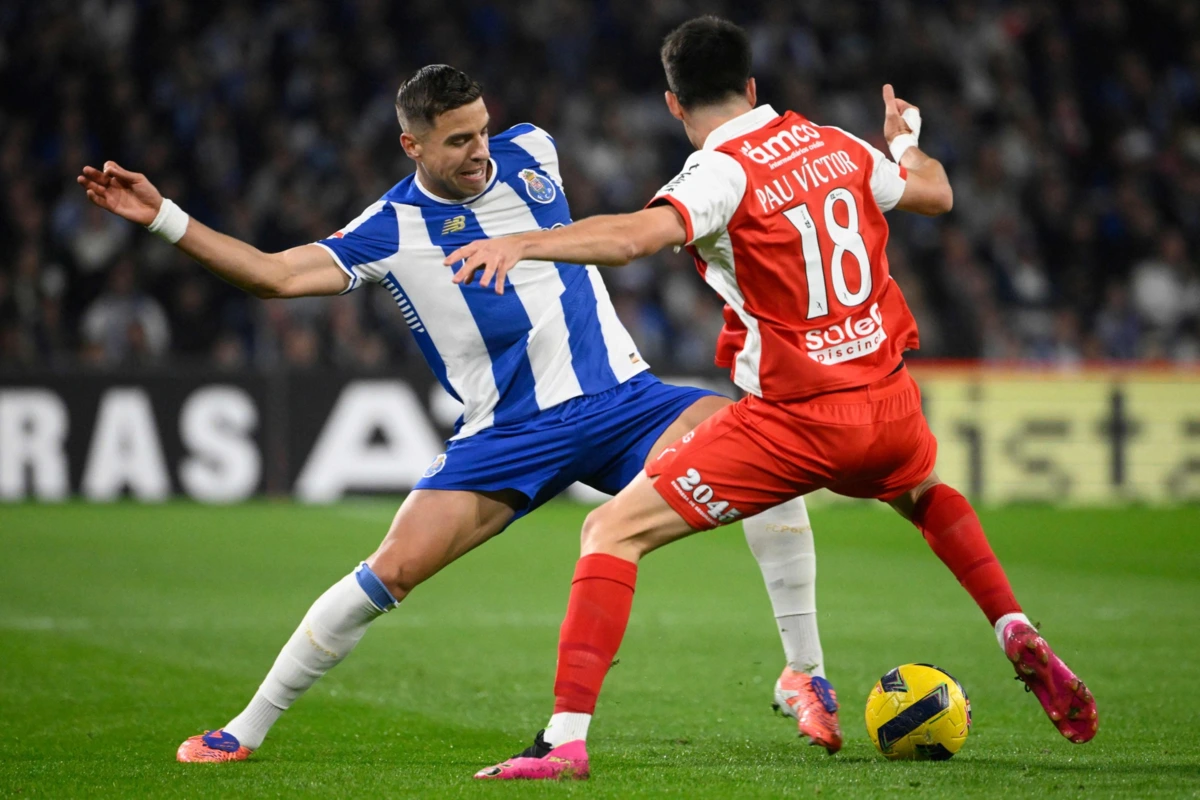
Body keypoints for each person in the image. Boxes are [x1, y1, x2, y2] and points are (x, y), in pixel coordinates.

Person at [76, 64, 843, 762]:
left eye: (481, 129)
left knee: (764, 446)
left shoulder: (532, 150)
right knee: (390, 572)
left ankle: (804, 674)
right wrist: (162, 218)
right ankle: (246, 727)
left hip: (626, 404)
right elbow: (273, 277)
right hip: (508, 437)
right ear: (411, 144)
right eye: (457, 141)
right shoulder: (389, 229)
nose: (479, 151)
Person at [448, 18, 1099, 781]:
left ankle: (562, 741)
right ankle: (1013, 624)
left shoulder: (719, 171)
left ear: (672, 104)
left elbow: (632, 239)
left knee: (610, 531)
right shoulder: (837, 143)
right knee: (924, 493)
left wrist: (522, 242)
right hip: (888, 405)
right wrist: (904, 140)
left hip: (795, 422)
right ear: (753, 86)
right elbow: (936, 192)